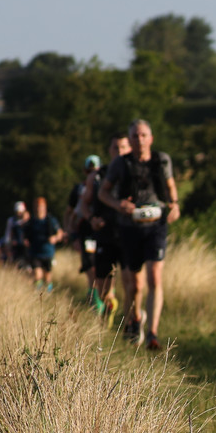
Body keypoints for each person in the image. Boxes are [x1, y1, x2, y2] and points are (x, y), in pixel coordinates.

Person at [97, 119, 180, 351]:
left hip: (156, 225)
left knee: (155, 276)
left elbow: (171, 187)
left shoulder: (162, 160)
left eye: (143, 135)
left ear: (151, 138)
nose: (139, 140)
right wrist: (118, 204)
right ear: (130, 139)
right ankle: (134, 319)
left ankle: (153, 333)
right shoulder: (119, 164)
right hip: (129, 227)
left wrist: (174, 205)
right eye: (135, 136)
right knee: (134, 285)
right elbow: (103, 193)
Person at [80, 133, 134, 326]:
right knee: (102, 287)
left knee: (131, 281)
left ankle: (130, 324)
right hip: (104, 235)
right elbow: (84, 204)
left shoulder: (135, 173)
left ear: (130, 148)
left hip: (128, 234)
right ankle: (109, 304)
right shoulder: (97, 176)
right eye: (115, 148)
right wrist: (91, 219)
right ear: (109, 151)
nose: (119, 152)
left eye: (123, 148)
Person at [68, 155, 102, 309]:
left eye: (94, 171)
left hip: (103, 232)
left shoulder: (106, 186)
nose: (91, 174)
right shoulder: (79, 190)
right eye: (89, 171)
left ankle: (105, 299)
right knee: (90, 268)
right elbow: (72, 214)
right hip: (85, 232)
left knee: (105, 268)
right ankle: (95, 303)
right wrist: (73, 235)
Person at [22, 196, 66, 290]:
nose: (39, 209)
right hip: (35, 252)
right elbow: (25, 235)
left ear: (45, 207)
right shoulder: (31, 221)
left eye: (41, 206)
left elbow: (60, 233)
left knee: (48, 277)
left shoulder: (50, 220)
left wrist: (55, 238)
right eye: (37, 206)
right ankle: (39, 295)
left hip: (48, 252)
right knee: (37, 275)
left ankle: (47, 296)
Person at [0, 201, 29, 267]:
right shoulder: (11, 221)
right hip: (16, 247)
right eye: (17, 212)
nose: (19, 214)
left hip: (27, 249)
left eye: (20, 212)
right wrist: (8, 246)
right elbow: (7, 235)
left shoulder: (29, 220)